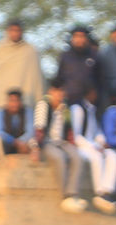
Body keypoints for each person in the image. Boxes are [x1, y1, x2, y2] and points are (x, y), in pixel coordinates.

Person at [31, 77, 87, 213]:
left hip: (61, 142)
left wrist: (72, 145)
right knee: (59, 158)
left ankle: (73, 193)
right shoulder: (43, 104)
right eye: (56, 91)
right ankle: (65, 196)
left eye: (62, 91)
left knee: (77, 158)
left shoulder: (65, 107)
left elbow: (69, 129)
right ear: (51, 91)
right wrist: (35, 149)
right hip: (46, 142)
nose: (59, 95)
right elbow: (39, 129)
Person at [69, 95, 116, 213]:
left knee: (113, 156)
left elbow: (97, 132)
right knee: (96, 157)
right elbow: (76, 136)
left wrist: (102, 143)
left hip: (94, 145)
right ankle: (99, 192)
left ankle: (107, 191)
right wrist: (94, 147)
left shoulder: (92, 109)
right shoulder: (77, 108)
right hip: (81, 146)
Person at [0, 19, 43, 108]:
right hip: (4, 103)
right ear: (7, 31)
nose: (15, 33)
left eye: (18, 30)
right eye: (13, 30)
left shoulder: (30, 50)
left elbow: (36, 78)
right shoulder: (0, 49)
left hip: (26, 103)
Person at [55, 25, 103, 105]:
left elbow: (100, 80)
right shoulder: (65, 56)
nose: (80, 39)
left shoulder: (94, 56)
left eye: (82, 36)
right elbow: (59, 78)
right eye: (77, 36)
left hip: (89, 102)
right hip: (69, 100)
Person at [0, 90, 34, 158]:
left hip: (23, 143)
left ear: (20, 101)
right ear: (7, 101)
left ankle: (32, 161)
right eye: (12, 101)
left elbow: (30, 131)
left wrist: (20, 141)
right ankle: (1, 161)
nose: (14, 104)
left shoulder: (27, 111)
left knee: (32, 140)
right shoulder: (0, 112)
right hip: (7, 143)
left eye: (16, 100)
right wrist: (13, 141)